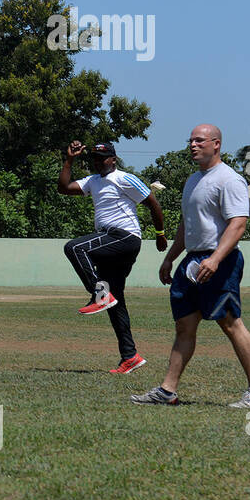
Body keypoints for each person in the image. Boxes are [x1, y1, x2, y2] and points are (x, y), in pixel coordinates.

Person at [131, 123, 250, 409]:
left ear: (216, 144)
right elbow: (187, 225)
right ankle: (167, 391)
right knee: (184, 325)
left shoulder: (229, 179)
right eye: (191, 140)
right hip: (192, 261)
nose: (193, 145)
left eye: (199, 140)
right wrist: (171, 257)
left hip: (220, 259)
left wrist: (216, 258)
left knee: (230, 322)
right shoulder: (193, 180)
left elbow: (238, 223)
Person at [58, 140, 166, 374]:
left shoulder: (125, 178)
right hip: (109, 240)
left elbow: (153, 203)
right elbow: (64, 187)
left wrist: (160, 234)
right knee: (117, 301)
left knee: (75, 248)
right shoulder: (93, 182)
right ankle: (130, 356)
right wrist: (70, 159)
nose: (98, 162)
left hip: (125, 238)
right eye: (95, 158)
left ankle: (100, 295)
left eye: (102, 158)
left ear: (113, 159)